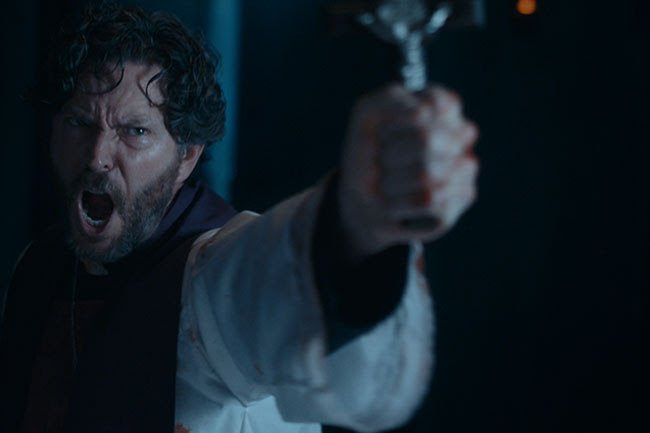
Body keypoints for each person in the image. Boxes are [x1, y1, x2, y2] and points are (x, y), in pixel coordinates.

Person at [0, 2, 479, 433]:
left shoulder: (209, 275)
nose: (97, 156)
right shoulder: (36, 265)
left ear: (186, 157)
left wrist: (358, 222)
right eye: (79, 122)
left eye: (135, 131)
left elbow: (279, 277)